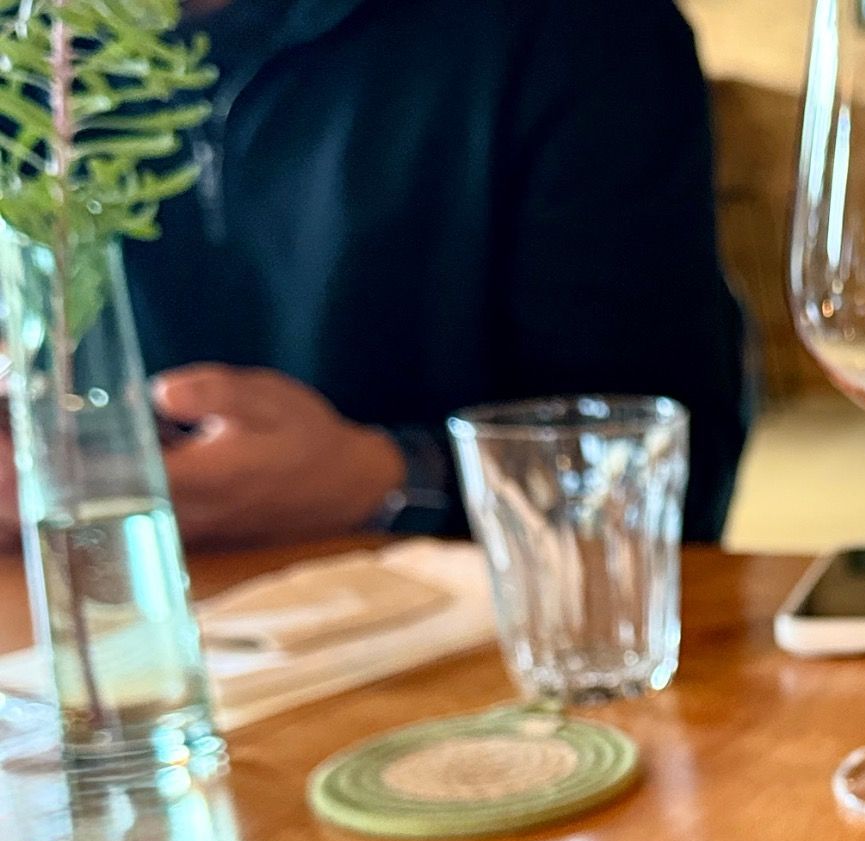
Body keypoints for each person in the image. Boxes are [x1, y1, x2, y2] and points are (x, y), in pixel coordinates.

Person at [113, 0, 747, 546]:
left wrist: (381, 480)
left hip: (476, 650)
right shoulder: (28, 59)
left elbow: (660, 472)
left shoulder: (576, 29)